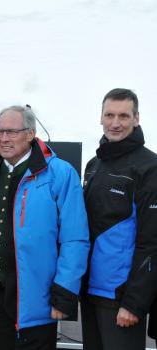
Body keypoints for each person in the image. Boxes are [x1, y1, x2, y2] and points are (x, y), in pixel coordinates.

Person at [0, 105, 90, 350]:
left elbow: (75, 239)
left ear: (30, 134)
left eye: (11, 132)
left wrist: (65, 292)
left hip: (37, 295)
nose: (3, 139)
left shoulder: (60, 174)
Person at [81, 88, 157, 350]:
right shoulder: (94, 165)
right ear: (100, 118)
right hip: (90, 291)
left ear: (137, 119)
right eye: (109, 115)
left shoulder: (150, 168)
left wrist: (134, 303)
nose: (115, 123)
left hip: (120, 297)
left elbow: (152, 242)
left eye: (124, 116)